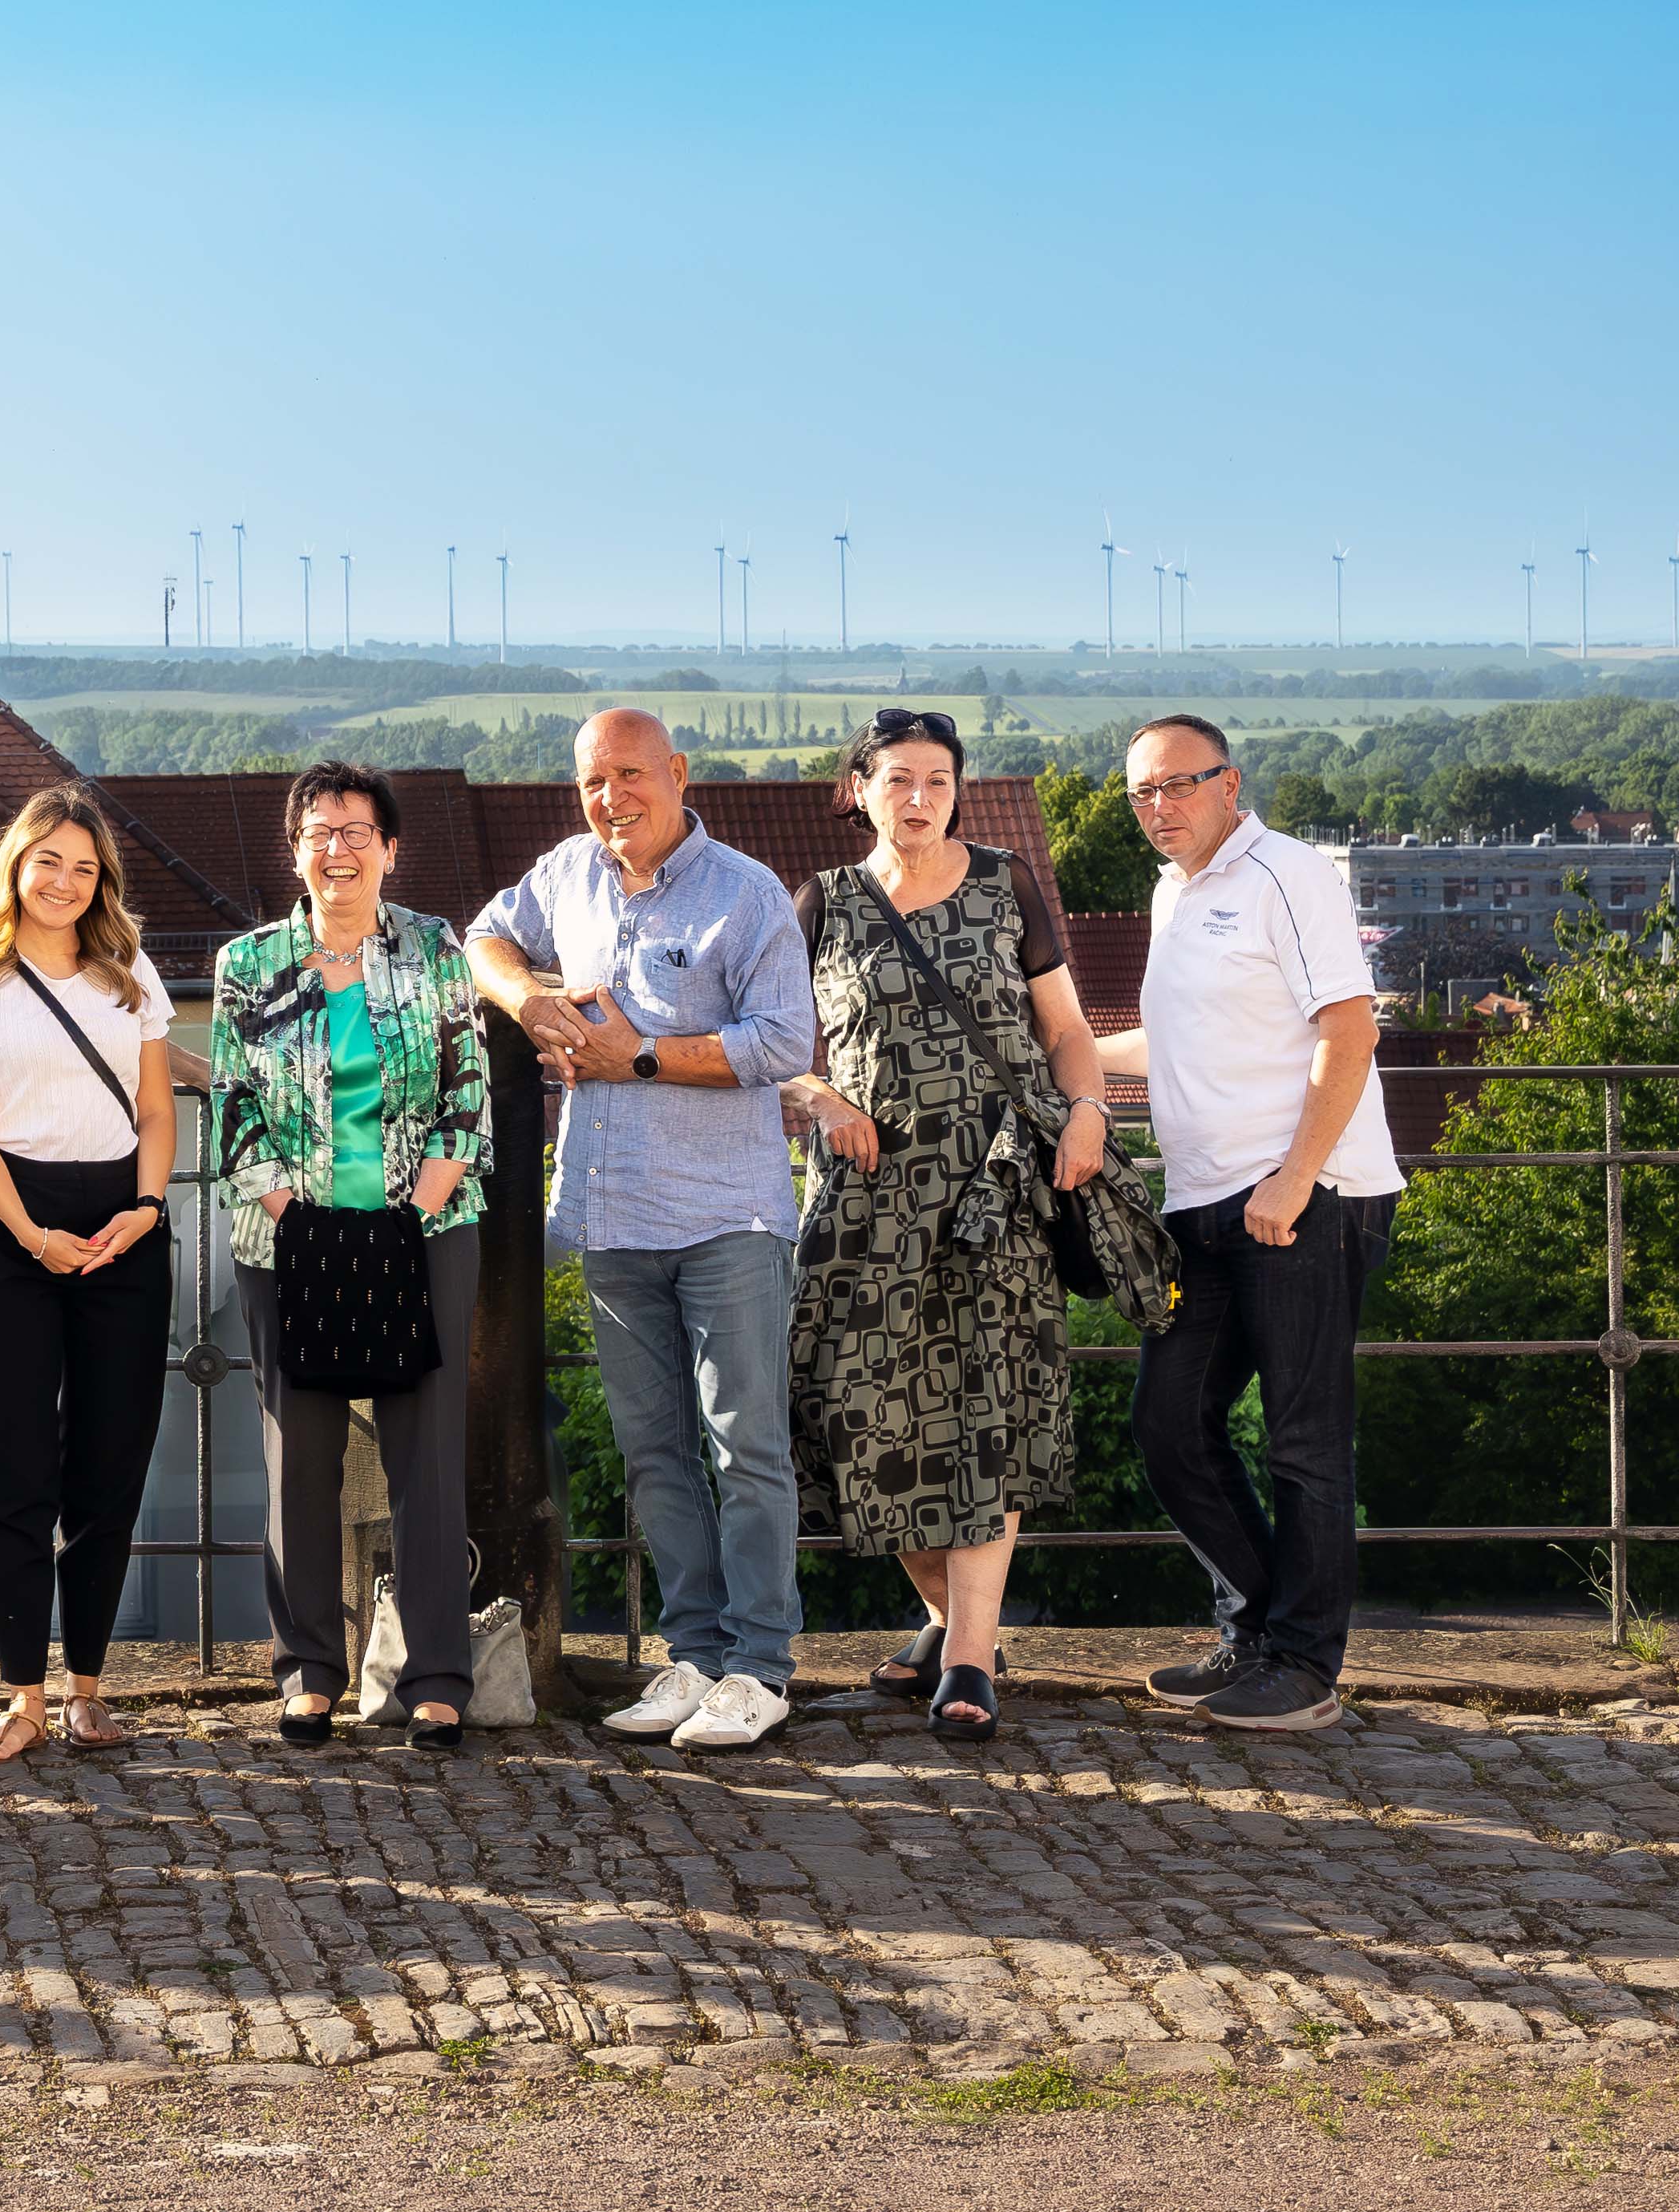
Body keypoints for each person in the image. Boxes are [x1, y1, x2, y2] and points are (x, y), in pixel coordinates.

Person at [782, 708, 1141, 1741]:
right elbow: (770, 1042)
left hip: (1000, 1191)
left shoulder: (1004, 882)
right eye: (899, 779)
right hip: (868, 1200)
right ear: (859, 787)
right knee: (855, 1409)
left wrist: (1083, 1109)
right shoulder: (823, 903)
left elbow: (1066, 1030)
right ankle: (948, 1616)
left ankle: (973, 1655)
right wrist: (819, 1096)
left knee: (992, 1408)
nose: (921, 798)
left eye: (939, 780)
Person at [465, 708, 819, 1756]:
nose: (610, 797)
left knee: (746, 1446)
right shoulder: (566, 873)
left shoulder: (747, 894)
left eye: (630, 775)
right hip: (612, 1214)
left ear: (676, 773)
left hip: (728, 1214)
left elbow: (784, 1040)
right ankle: (698, 1657)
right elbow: (478, 936)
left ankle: (762, 1669)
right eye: (591, 781)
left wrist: (644, 1058)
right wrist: (526, 996)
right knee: (655, 1451)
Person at [1101, 713, 1403, 1732]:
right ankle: (1258, 1628)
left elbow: (1349, 1029)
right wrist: (1068, 1051)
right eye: (1142, 793)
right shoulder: (1173, 891)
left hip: (1304, 1199)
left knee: (1304, 1441)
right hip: (1205, 1203)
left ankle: (1306, 1667)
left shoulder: (1290, 874)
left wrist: (1295, 1176)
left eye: (1178, 786)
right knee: (1171, 1422)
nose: (1159, 808)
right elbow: (1182, 1037)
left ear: (1232, 782)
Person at [207, 762, 494, 1755]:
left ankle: (438, 1677)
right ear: (296, 849)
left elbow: (470, 1090)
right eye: (319, 832)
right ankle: (308, 1674)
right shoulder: (247, 962)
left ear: (390, 847)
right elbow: (234, 1107)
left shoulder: (436, 949)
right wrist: (302, 1217)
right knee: (302, 1458)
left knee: (427, 1454)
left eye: (357, 831)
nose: (339, 849)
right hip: (288, 1238)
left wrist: (413, 1213)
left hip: (426, 1229)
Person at [0, 784, 176, 1763]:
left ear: (100, 877)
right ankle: (23, 1694)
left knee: (111, 1462)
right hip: (8, 1233)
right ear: (16, 869)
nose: (65, 882)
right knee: (16, 1464)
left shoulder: (130, 974)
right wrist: (32, 1234)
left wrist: (147, 1209)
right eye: (48, 863)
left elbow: (157, 1112)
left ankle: (88, 1688)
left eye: (84, 865)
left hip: (125, 1226)